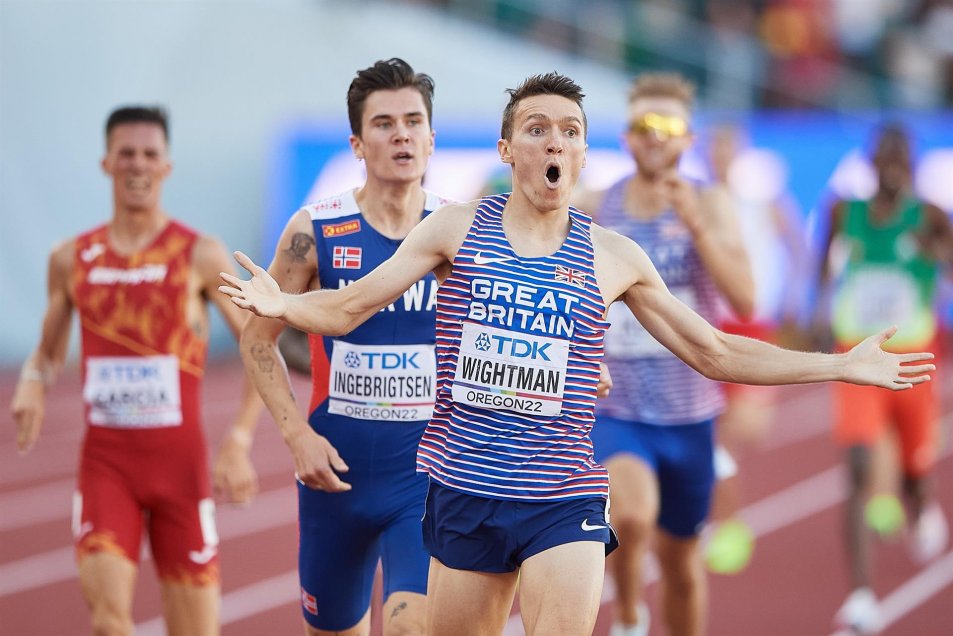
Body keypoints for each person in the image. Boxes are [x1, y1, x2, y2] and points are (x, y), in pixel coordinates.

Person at [220, 72, 935, 636]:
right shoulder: (456, 230)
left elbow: (712, 350)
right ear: (507, 152)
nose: (553, 142)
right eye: (536, 130)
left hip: (561, 497)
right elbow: (349, 306)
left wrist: (838, 365)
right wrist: (284, 306)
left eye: (569, 132)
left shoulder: (611, 256)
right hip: (465, 490)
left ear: (582, 153)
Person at [9, 106, 263, 636]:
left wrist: (238, 440)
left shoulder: (197, 253)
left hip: (181, 472)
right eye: (127, 153)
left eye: (150, 154)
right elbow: (48, 351)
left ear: (167, 166)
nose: (138, 165)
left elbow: (258, 346)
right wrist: (34, 383)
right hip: (107, 468)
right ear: (106, 162)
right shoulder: (72, 258)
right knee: (109, 624)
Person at [237, 58, 449, 636]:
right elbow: (258, 339)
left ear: (431, 137)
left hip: (425, 477)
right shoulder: (316, 230)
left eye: (413, 121)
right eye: (384, 123)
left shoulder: (460, 233)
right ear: (357, 143)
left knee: (411, 627)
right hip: (334, 475)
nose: (401, 133)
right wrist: (297, 437)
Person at [575, 73, 754, 636]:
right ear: (627, 137)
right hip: (618, 408)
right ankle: (629, 614)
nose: (654, 137)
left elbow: (745, 299)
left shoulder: (710, 201)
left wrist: (696, 224)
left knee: (681, 565)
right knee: (629, 513)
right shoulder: (599, 205)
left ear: (687, 138)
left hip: (690, 416)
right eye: (642, 126)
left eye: (667, 126)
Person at [815, 123, 953, 634]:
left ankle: (920, 501)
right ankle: (861, 595)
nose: (893, 168)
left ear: (912, 166)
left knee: (916, 469)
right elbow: (821, 265)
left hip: (915, 359)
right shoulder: (843, 212)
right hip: (861, 358)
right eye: (885, 159)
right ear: (872, 163)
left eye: (902, 160)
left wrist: (936, 253)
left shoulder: (931, 216)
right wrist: (818, 308)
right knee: (856, 466)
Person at [703, 123, 811, 578]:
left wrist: (791, 298)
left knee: (748, 428)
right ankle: (724, 517)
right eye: (716, 149)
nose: (722, 157)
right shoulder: (696, 206)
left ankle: (719, 501)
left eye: (729, 148)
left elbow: (799, 245)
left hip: (755, 325)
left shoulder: (761, 204)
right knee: (715, 432)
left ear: (739, 153)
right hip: (707, 326)